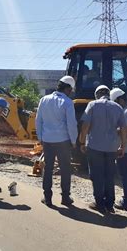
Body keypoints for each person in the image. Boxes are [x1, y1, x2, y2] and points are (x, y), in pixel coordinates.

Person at [79, 85, 126, 214]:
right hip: (111, 148)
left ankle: (99, 203)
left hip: (95, 147)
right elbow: (123, 129)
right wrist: (123, 146)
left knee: (97, 175)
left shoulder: (92, 105)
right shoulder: (118, 107)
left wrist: (82, 142)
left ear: (97, 94)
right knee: (109, 176)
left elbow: (85, 126)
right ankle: (110, 204)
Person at [35, 75, 78, 207]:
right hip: (63, 141)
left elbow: (38, 120)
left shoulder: (44, 100)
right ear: (67, 88)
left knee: (48, 168)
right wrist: (73, 140)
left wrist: (40, 138)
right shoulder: (67, 102)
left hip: (47, 140)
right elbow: (72, 124)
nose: (71, 92)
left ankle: (47, 197)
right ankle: (65, 197)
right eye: (70, 90)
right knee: (65, 169)